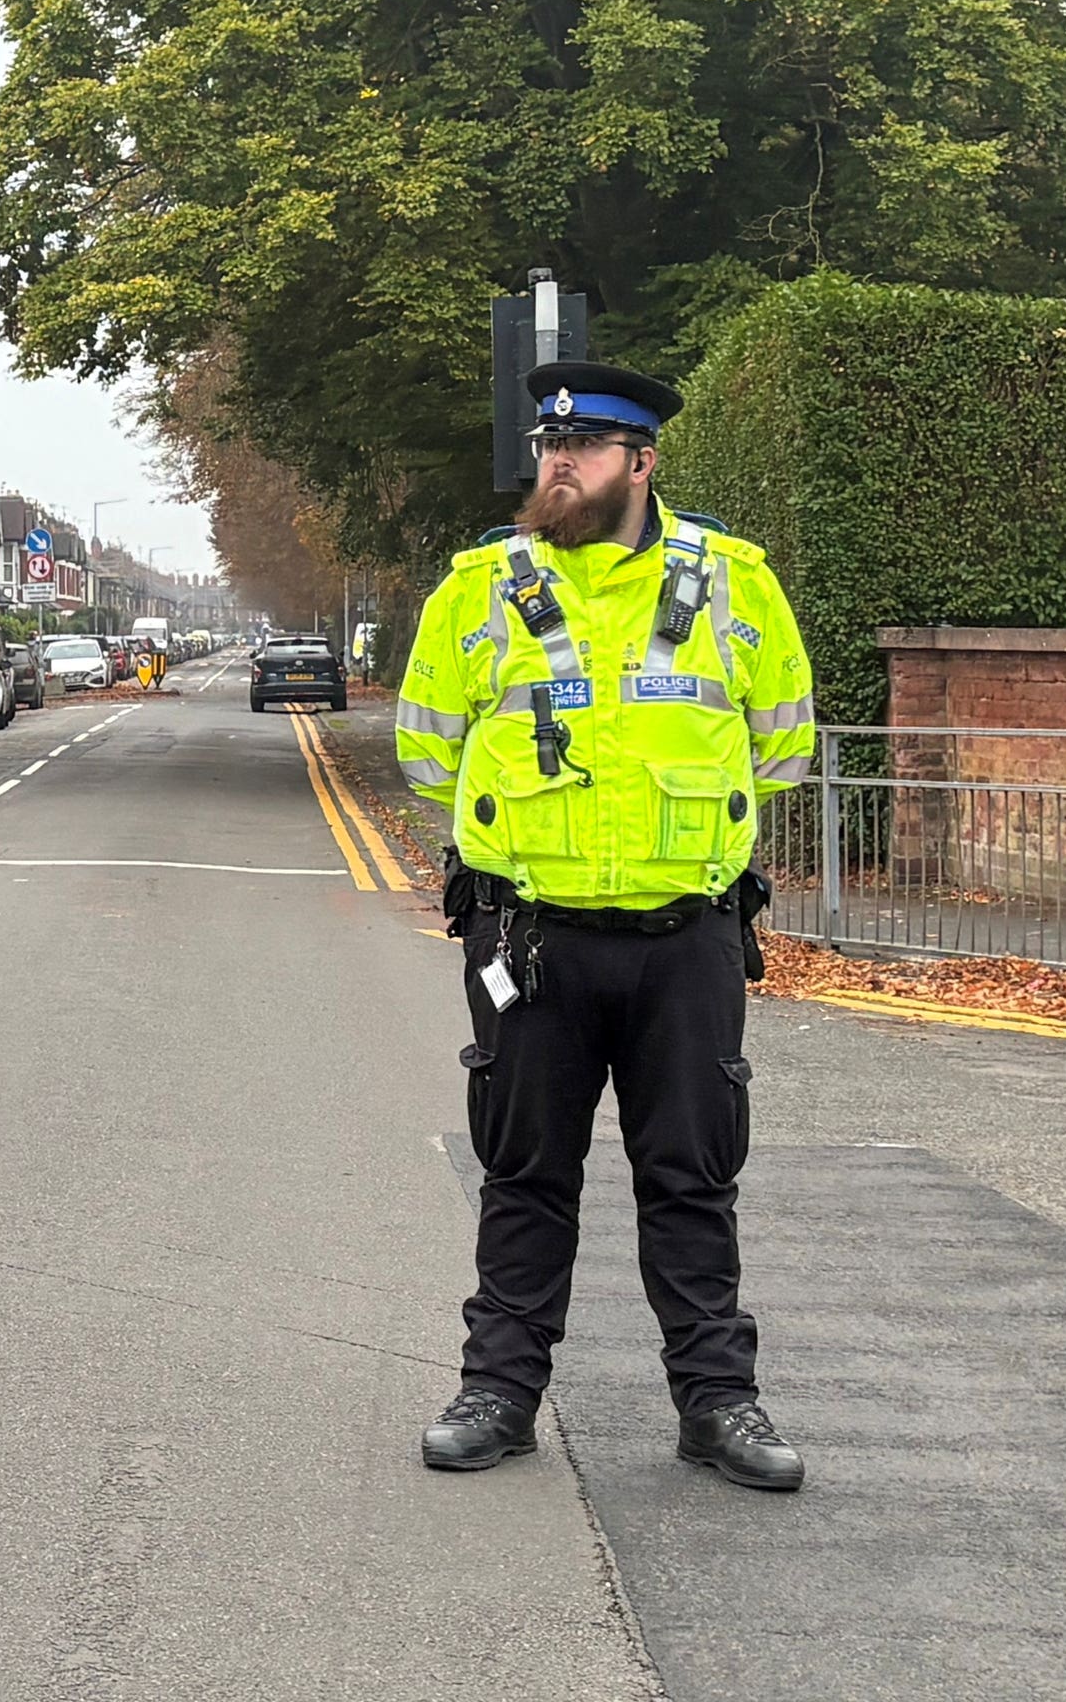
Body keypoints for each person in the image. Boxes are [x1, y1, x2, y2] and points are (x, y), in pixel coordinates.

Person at [395, 360, 817, 1492]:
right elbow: (426, 747)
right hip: (531, 939)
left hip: (689, 939)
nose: (558, 466)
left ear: (644, 462)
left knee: (691, 1176)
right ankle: (500, 1390)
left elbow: (784, 745)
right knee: (526, 1172)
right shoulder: (480, 589)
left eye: (583, 450)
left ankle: (718, 1404)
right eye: (547, 448)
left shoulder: (736, 584)